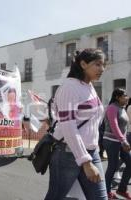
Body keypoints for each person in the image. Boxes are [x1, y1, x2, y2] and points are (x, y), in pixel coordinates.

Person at [45, 48, 107, 199]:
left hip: (91, 152)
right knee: (55, 196)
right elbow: (69, 127)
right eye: (98, 64)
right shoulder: (69, 87)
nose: (102, 69)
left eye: (103, 65)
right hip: (68, 154)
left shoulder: (89, 86)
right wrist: (86, 162)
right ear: (83, 64)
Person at [103, 88, 131, 199]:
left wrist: (124, 140)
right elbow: (114, 126)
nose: (127, 97)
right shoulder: (112, 108)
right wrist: (124, 141)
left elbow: (123, 128)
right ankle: (106, 191)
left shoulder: (122, 108)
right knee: (113, 166)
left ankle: (121, 190)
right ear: (117, 97)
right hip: (111, 141)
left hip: (120, 141)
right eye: (125, 95)